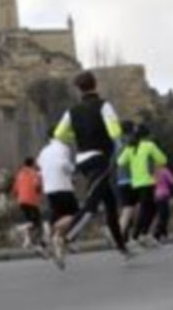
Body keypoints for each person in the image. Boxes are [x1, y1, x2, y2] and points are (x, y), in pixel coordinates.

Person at [54, 71, 133, 259]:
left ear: (79, 89)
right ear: (95, 84)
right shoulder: (104, 106)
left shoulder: (71, 111)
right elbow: (115, 133)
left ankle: (122, 248)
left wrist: (78, 137)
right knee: (91, 205)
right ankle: (64, 239)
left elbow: (58, 134)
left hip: (82, 160)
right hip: (100, 159)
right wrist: (114, 139)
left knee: (110, 204)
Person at [117, 124, 167, 248]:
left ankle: (141, 234)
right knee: (149, 209)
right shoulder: (149, 145)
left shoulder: (130, 147)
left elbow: (120, 162)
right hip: (148, 182)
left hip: (135, 183)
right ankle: (138, 235)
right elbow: (162, 160)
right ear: (147, 135)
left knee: (147, 208)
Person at [37, 128, 78, 269]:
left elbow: (40, 168)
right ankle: (53, 231)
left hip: (49, 189)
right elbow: (63, 165)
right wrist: (73, 170)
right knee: (76, 215)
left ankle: (57, 243)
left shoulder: (43, 151)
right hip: (63, 187)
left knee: (61, 215)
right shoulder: (63, 148)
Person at [12, 157, 45, 253]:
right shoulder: (34, 173)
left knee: (30, 221)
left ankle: (28, 242)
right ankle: (40, 243)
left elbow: (15, 191)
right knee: (37, 223)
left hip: (21, 201)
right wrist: (39, 192)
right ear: (32, 164)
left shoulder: (19, 174)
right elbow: (37, 186)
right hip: (32, 201)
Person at [115, 121, 137, 242]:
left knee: (128, 207)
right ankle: (119, 232)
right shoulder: (131, 142)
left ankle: (126, 234)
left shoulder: (117, 141)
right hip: (132, 178)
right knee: (129, 208)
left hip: (120, 178)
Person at [153, 166, 173, 243]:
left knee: (158, 215)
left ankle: (164, 233)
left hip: (153, 195)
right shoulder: (164, 170)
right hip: (163, 195)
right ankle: (158, 233)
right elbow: (172, 181)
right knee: (164, 215)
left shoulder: (150, 171)